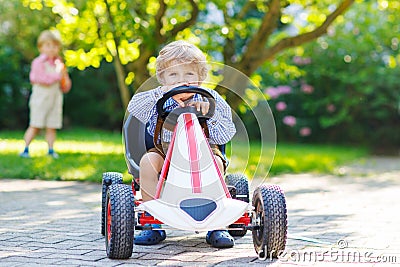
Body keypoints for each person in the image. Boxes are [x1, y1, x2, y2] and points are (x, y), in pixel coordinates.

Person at [128, 40, 237, 248]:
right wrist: (162, 92)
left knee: (216, 162)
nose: (182, 81)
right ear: (163, 78)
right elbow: (134, 107)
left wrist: (209, 114)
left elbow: (226, 134)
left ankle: (218, 225)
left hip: (203, 151)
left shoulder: (212, 99)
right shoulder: (156, 97)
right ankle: (153, 221)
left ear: (200, 77)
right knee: (148, 162)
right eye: (173, 75)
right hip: (164, 151)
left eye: (189, 75)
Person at [19, 30, 71, 159]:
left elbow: (64, 84)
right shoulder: (38, 62)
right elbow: (41, 79)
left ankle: (51, 150)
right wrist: (58, 75)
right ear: (40, 47)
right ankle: (25, 149)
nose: (52, 49)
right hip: (40, 100)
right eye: (48, 45)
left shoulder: (59, 64)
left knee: (51, 126)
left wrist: (64, 79)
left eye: (55, 46)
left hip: (55, 100)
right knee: (35, 125)